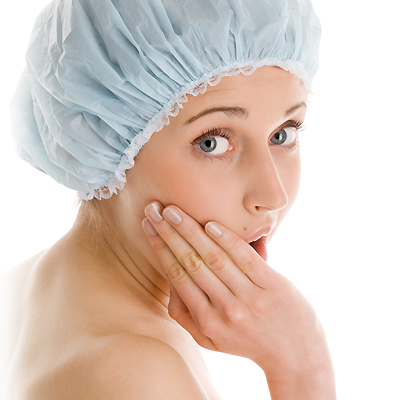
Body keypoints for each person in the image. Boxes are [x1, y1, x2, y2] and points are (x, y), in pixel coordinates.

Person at [1, 0, 336, 398]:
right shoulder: (137, 373)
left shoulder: (19, 290)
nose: (273, 196)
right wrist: (302, 365)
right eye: (213, 143)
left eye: (283, 133)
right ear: (100, 134)